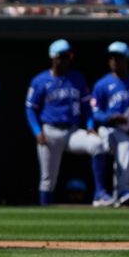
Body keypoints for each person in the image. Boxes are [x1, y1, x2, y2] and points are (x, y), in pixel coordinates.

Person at [25, 39, 109, 206]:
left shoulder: (76, 78)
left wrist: (91, 126)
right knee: (48, 179)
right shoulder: (40, 80)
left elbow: (87, 107)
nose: (66, 60)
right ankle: (45, 212)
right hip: (50, 131)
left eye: (69, 56)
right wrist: (37, 131)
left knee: (98, 145)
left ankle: (101, 194)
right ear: (53, 58)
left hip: (72, 131)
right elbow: (30, 109)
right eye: (63, 56)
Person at [91, 42, 129, 207]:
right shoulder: (102, 84)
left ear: (126, 59)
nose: (114, 60)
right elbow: (94, 112)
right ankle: (123, 191)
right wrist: (110, 117)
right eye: (111, 57)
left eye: (118, 57)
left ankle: (118, 197)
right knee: (125, 148)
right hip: (110, 130)